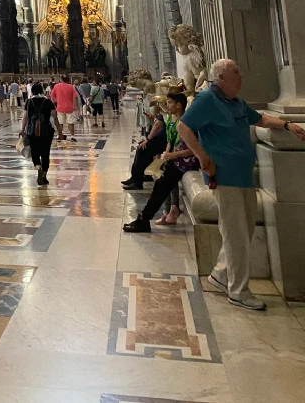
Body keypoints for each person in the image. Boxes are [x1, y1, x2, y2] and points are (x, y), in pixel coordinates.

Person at [177, 58, 305, 311]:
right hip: (224, 176)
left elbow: (260, 119)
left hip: (243, 175)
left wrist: (287, 125)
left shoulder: (235, 101)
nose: (241, 77)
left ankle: (220, 275)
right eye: (236, 73)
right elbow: (183, 127)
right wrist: (202, 157)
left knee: (243, 230)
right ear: (221, 78)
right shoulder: (207, 99)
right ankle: (238, 291)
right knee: (235, 235)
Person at [123, 93, 197, 232]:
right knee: (161, 182)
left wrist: (172, 155)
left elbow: (194, 149)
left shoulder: (186, 123)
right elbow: (171, 141)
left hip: (185, 163)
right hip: (178, 160)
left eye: (170, 102)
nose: (167, 105)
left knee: (162, 184)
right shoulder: (175, 120)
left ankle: (146, 218)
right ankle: (160, 213)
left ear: (179, 105)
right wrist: (167, 156)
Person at [20, 82, 57, 186]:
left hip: (32, 131)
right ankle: (44, 175)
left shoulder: (29, 102)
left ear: (32, 91)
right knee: (45, 153)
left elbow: (25, 117)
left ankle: (38, 166)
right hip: (46, 131)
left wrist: (22, 130)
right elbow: (54, 115)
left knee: (35, 152)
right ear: (42, 90)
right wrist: (59, 130)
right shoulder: (48, 101)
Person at [122, 107, 168, 190]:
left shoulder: (166, 110)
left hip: (164, 140)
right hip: (163, 138)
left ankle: (137, 182)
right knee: (142, 146)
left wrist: (147, 139)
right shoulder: (167, 111)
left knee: (142, 149)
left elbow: (157, 125)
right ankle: (141, 176)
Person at [50, 74, 78, 141]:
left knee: (60, 123)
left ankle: (59, 136)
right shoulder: (71, 86)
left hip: (60, 107)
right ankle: (72, 136)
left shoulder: (56, 86)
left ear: (61, 79)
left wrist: (53, 104)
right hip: (69, 107)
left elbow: (52, 96)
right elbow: (75, 97)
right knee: (70, 123)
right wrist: (75, 106)